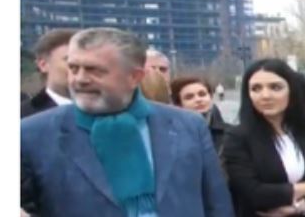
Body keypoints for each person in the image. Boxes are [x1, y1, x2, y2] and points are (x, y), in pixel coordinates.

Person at [19, 27, 233, 217]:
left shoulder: (189, 126)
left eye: (94, 70)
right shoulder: (31, 135)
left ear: (134, 77)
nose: (80, 79)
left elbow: (217, 205)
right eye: (73, 68)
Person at [221, 59, 305, 217]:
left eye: (275, 87)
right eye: (256, 88)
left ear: (291, 89)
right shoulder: (237, 138)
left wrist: (302, 206)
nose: (265, 95)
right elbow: (253, 193)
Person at [21, 28, 76, 119]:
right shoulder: (23, 116)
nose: (80, 69)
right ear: (43, 65)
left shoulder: (100, 111)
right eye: (69, 60)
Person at [172, 75, 229, 155]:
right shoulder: (171, 136)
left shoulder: (230, 134)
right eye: (189, 97)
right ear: (178, 104)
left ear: (211, 97)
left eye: (202, 94)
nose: (198, 100)